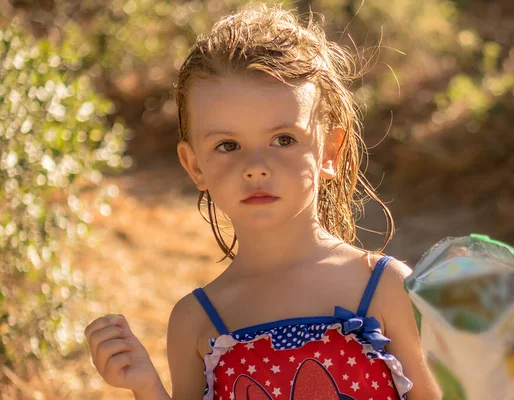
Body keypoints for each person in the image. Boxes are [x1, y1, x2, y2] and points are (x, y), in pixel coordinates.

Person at [84, 3, 441, 400]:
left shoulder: (386, 286)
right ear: (194, 165)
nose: (255, 167)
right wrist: (146, 387)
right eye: (228, 145)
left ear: (329, 152)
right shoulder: (194, 320)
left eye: (283, 140)